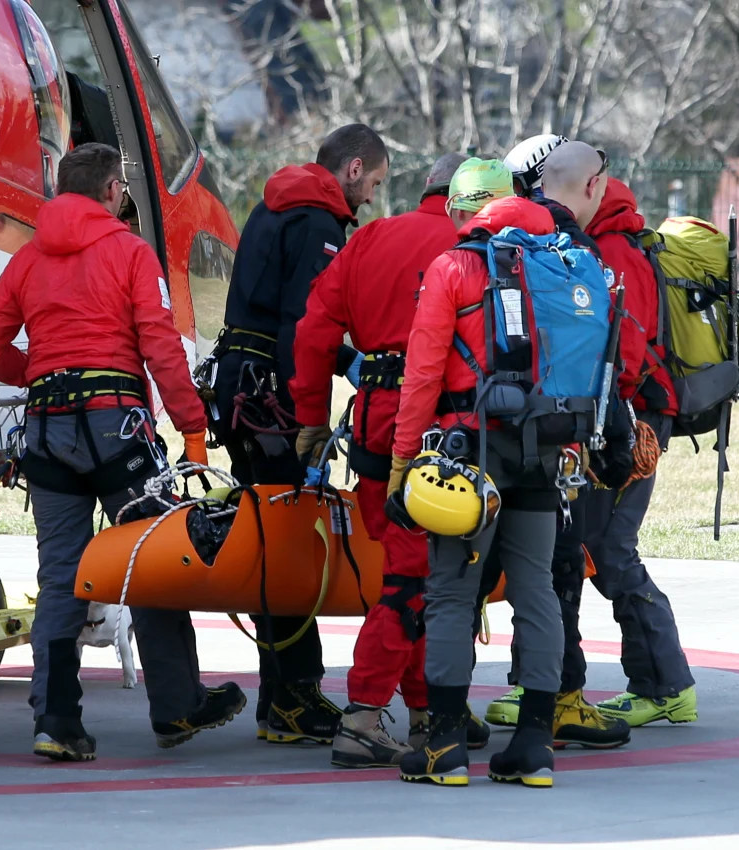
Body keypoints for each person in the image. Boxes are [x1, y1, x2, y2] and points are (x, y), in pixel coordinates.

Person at [0, 143, 245, 762]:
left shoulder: (28, 258)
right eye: (122, 188)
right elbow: (161, 348)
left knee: (61, 576)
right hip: (117, 430)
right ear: (112, 190)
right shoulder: (128, 251)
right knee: (154, 561)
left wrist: (38, 371)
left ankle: (56, 721)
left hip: (46, 430)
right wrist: (193, 427)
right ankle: (176, 707)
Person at [290, 153, 492, 768]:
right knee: (414, 581)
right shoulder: (478, 249)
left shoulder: (372, 237)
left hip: (375, 423)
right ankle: (363, 715)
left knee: (412, 572)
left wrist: (309, 419)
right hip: (442, 428)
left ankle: (429, 705)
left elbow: (313, 331)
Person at [391, 159, 578, 788]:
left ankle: (444, 748)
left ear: (460, 211)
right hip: (543, 450)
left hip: (471, 453)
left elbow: (421, 377)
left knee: (449, 593)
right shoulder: (561, 259)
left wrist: (401, 464)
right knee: (536, 589)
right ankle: (534, 747)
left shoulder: (453, 267)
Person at [206, 124, 389, 746]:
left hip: (239, 381)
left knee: (272, 537)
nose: (370, 201)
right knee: (287, 544)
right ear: (355, 167)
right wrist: (310, 414)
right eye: (374, 185)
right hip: (270, 398)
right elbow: (301, 327)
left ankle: (283, 696)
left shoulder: (272, 206)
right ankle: (293, 695)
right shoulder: (318, 222)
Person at [481, 140, 633, 750]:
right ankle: (554, 708)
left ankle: (435, 717)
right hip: (556, 444)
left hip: (482, 436)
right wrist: (615, 444)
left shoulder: (488, 242)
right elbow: (602, 363)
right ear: (593, 187)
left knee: (463, 581)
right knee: (552, 574)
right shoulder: (577, 253)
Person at [583, 176, 698, 725]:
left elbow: (624, 350)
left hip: (632, 418)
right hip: (632, 414)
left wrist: (613, 422)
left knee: (610, 548)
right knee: (588, 544)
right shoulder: (617, 243)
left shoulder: (610, 251)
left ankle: (665, 685)